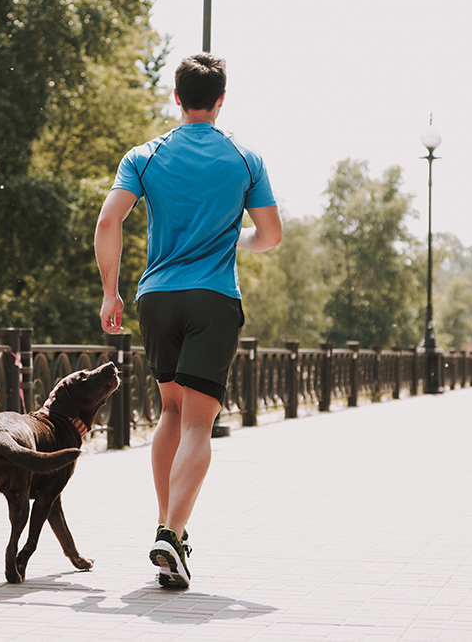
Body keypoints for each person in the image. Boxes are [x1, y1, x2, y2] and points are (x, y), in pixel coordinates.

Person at [94, 53, 282, 588]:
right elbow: (270, 235)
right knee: (200, 422)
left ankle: (165, 527)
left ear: (176, 97)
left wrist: (110, 292)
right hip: (213, 299)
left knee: (170, 412)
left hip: (156, 298)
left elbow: (110, 220)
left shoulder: (144, 156)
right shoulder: (245, 158)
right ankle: (174, 533)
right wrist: (237, 240)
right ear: (221, 100)